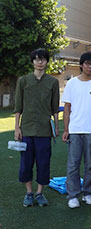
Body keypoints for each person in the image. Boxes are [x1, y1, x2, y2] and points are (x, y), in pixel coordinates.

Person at [14, 48, 60, 207]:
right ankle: (29, 193)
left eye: (43, 59)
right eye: (37, 59)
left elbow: (55, 108)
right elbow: (18, 106)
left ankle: (40, 193)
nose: (40, 62)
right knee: (26, 162)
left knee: (43, 162)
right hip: (26, 129)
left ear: (47, 62)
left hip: (45, 130)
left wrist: (56, 126)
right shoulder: (23, 81)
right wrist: (16, 128)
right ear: (32, 61)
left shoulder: (53, 82)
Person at [62, 52, 91, 209]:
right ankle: (73, 195)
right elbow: (66, 108)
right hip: (75, 129)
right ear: (81, 65)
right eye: (87, 63)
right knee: (73, 164)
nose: (90, 66)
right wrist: (65, 129)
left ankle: (88, 192)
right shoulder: (72, 83)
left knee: (90, 164)